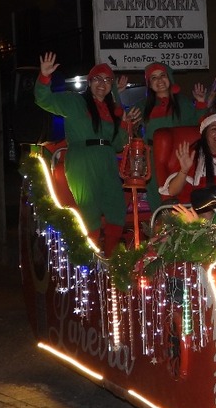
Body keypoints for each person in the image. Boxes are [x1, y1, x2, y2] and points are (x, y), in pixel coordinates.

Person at [34, 52, 142, 258]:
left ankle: (110, 260)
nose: (102, 84)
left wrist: (126, 124)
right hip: (81, 160)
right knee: (88, 210)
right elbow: (43, 99)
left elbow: (118, 144)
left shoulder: (112, 111)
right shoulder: (75, 102)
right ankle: (89, 260)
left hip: (107, 160)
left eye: (107, 80)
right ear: (89, 82)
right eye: (97, 79)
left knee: (116, 207)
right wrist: (44, 77)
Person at [138, 61, 204, 210]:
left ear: (169, 78)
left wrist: (200, 104)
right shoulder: (142, 106)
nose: (159, 80)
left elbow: (199, 129)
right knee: (158, 199)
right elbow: (130, 131)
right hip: (154, 159)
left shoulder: (184, 103)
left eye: (162, 75)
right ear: (149, 83)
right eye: (154, 78)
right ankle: (160, 231)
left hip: (180, 157)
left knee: (181, 197)